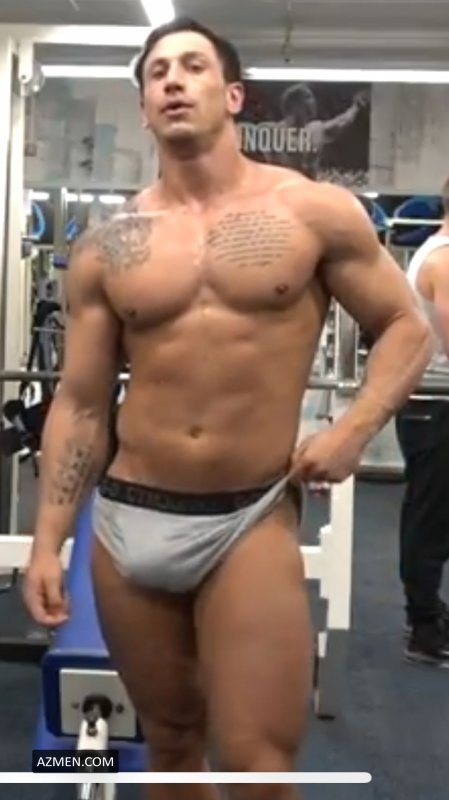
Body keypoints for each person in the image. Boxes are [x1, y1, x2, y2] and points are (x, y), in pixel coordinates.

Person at [23, 16, 431, 798]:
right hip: (127, 517)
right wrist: (47, 541)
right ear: (143, 106)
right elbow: (80, 402)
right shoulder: (109, 243)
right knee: (170, 747)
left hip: (247, 517)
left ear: (233, 95)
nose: (173, 81)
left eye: (193, 67)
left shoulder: (310, 211)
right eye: (157, 73)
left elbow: (405, 327)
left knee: (258, 767)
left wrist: (353, 429)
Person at [395, 179, 449, 668]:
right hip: (436, 402)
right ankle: (424, 627)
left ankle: (430, 614)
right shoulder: (445, 258)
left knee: (435, 516)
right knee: (430, 518)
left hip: (432, 403)